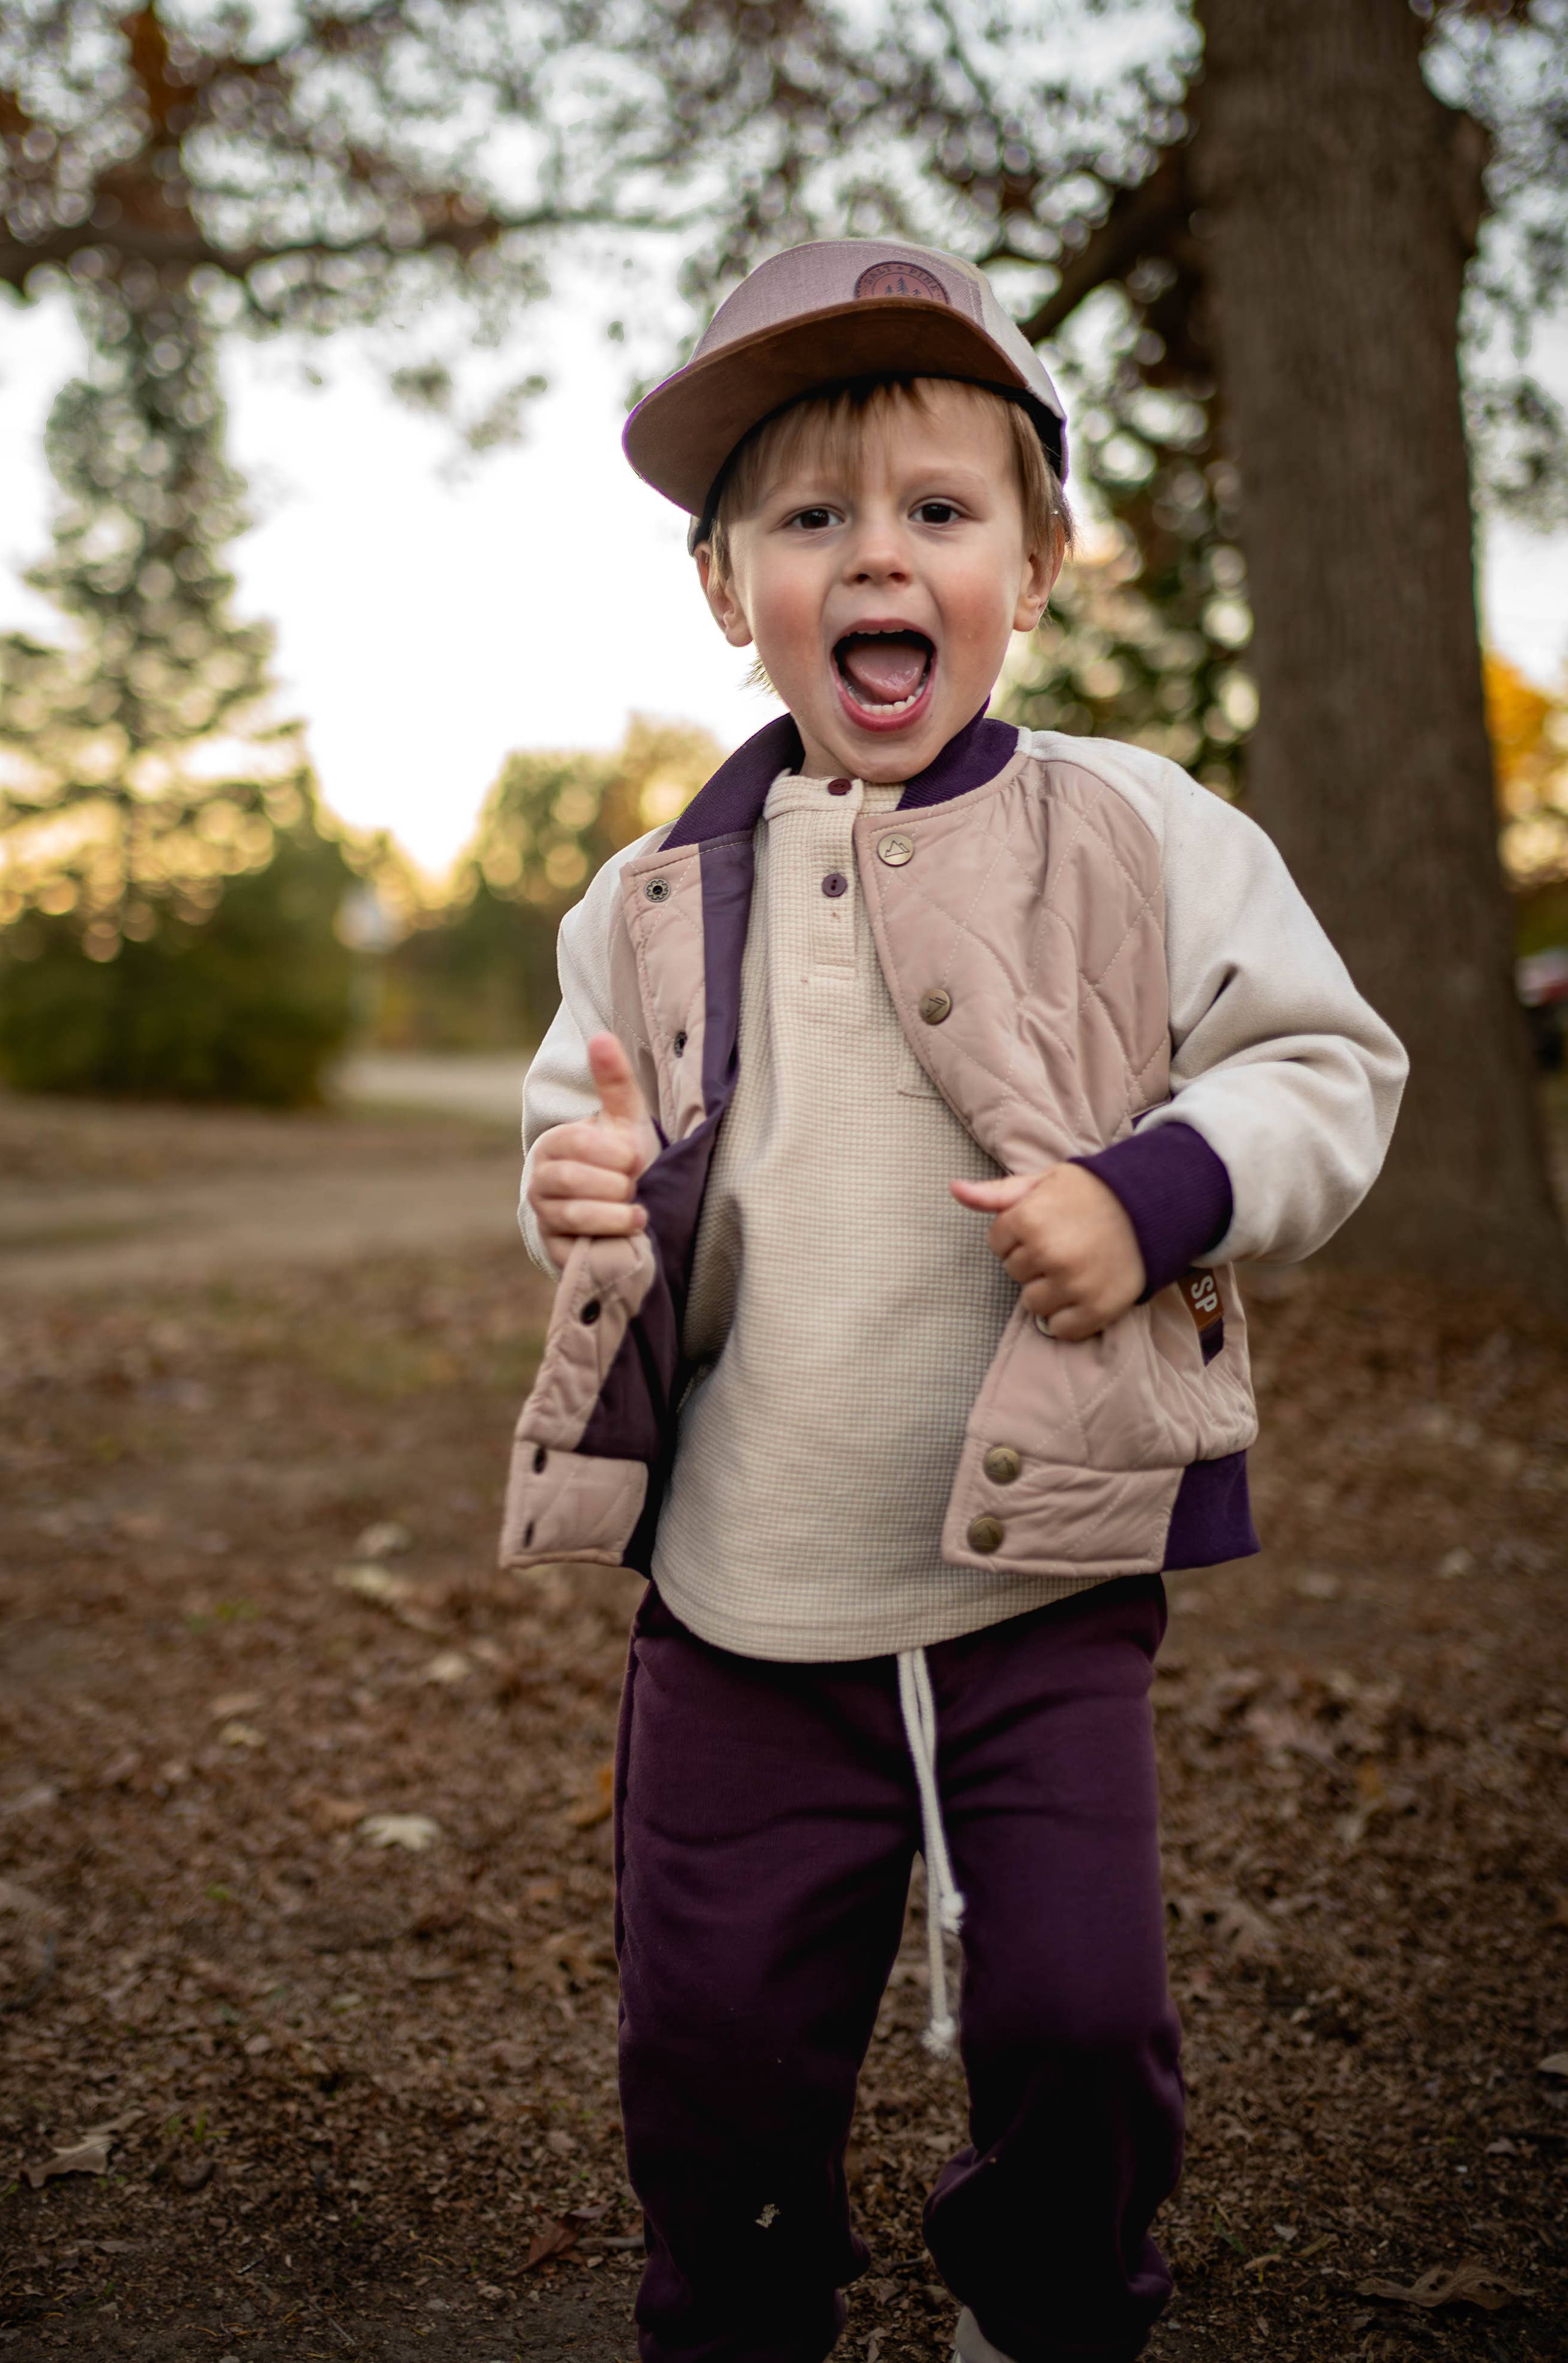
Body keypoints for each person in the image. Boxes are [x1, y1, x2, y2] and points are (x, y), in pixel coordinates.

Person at [502, 239, 1406, 2363]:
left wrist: (1158, 1193)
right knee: (711, 2047)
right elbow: (579, 1138)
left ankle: (1052, 2300)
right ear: (733, 594)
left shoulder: (1138, 829)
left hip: (1039, 1589)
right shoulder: (644, 902)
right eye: (812, 521)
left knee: (1085, 2021)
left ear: (1038, 561)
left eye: (937, 511)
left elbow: (1326, 1067)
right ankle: (739, 2308)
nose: (875, 559)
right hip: (743, 1597)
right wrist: (569, 1191)